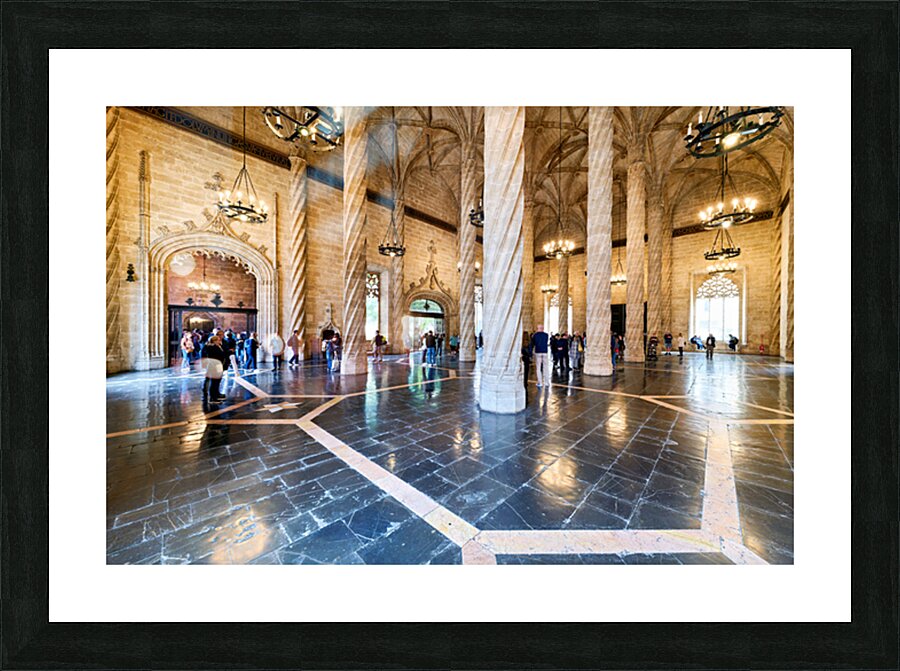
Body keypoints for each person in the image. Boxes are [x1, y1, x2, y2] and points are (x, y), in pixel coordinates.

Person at [200, 334, 227, 402]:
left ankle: (216, 394)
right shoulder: (211, 348)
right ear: (214, 341)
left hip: (218, 365)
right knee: (214, 382)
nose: (220, 341)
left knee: (217, 381)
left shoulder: (217, 346)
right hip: (214, 366)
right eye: (218, 340)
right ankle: (213, 397)